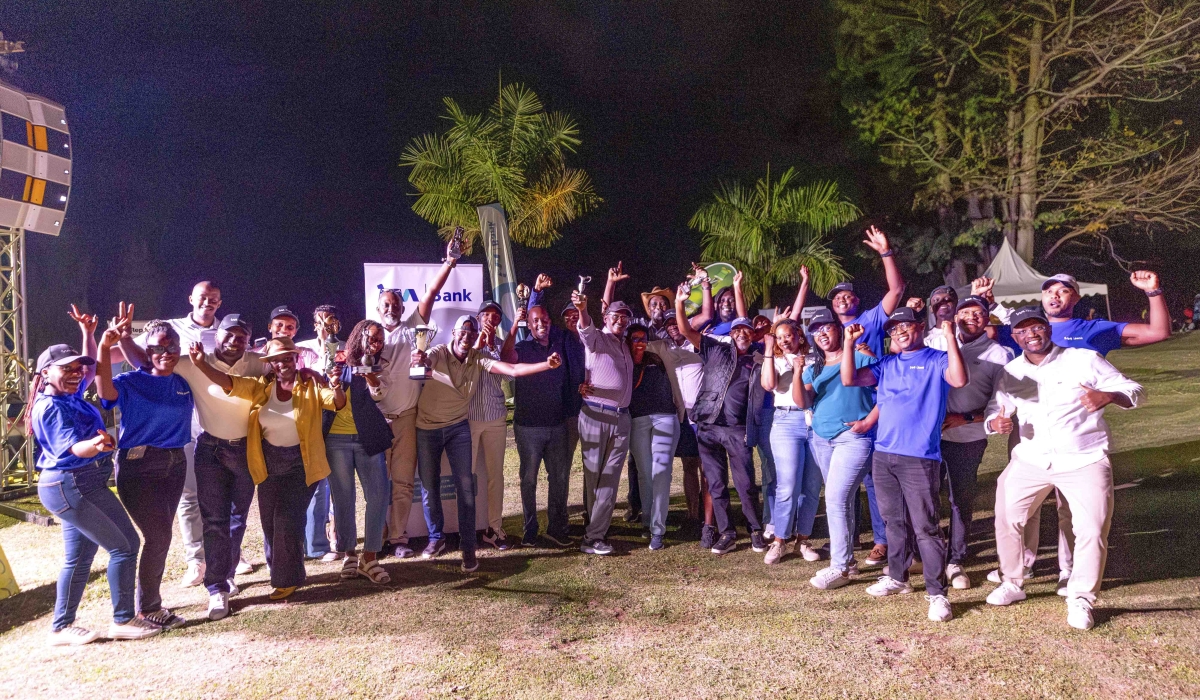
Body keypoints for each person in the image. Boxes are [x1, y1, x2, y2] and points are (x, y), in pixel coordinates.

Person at [986, 270, 1169, 590]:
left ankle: (1068, 572)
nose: (1055, 295)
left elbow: (1157, 332)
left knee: (1070, 508)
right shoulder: (1023, 335)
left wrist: (1153, 293)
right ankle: (1019, 568)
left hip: (1076, 434)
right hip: (1030, 433)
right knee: (1017, 507)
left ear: (1076, 297)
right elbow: (992, 331)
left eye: (1064, 291)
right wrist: (987, 303)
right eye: (1049, 291)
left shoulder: (1091, 333)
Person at [983, 306, 1144, 630]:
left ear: (1047, 329)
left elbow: (1133, 390)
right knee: (1007, 517)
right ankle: (1013, 583)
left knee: (1091, 529)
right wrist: (995, 421)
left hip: (1084, 458)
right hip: (1031, 458)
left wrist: (1108, 396)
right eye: (1023, 331)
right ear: (1014, 336)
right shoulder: (1012, 371)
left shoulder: (1082, 359)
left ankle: (1081, 598)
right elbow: (997, 408)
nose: (1031, 335)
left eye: (1036, 327)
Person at [33, 307, 159, 645]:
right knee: (126, 545)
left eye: (77, 369)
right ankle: (123, 619)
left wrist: (88, 334)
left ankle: (61, 627)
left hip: (71, 483)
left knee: (79, 557)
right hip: (71, 482)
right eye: (66, 369)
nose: (76, 374)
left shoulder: (67, 394)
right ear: (46, 373)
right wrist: (95, 443)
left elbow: (88, 368)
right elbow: (73, 449)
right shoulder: (52, 406)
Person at [188, 337, 345, 600]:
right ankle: (286, 571)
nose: (282, 363)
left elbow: (336, 402)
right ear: (270, 364)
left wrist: (337, 385)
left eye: (287, 358)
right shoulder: (261, 387)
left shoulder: (310, 386)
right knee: (269, 524)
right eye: (276, 359)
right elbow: (230, 383)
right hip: (269, 465)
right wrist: (202, 364)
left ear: (296, 359)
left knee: (286, 519)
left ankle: (287, 580)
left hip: (302, 465)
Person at [841, 306, 967, 623]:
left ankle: (937, 594)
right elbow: (849, 378)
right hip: (884, 454)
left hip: (920, 456)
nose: (899, 332)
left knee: (926, 527)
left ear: (920, 327)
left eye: (905, 327)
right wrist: (847, 344)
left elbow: (959, 379)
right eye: (894, 330)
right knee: (893, 521)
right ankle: (898, 577)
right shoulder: (887, 364)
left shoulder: (936, 359)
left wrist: (950, 337)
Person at [410, 314, 562, 572]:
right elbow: (423, 362)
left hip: (458, 427)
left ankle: (468, 549)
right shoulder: (438, 351)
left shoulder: (477, 359)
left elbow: (512, 370)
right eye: (463, 330)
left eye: (472, 331)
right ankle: (436, 538)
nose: (467, 335)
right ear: (454, 332)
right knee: (429, 486)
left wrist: (546, 365)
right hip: (427, 428)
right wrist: (419, 358)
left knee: (466, 488)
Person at [149, 313, 266, 620]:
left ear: (248, 340)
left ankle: (225, 573)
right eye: (229, 334)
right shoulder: (192, 361)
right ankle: (217, 589)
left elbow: (288, 368)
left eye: (241, 336)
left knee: (237, 518)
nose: (234, 340)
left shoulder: (256, 363)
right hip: (210, 450)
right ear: (219, 335)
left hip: (246, 450)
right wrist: (118, 342)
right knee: (214, 520)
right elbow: (153, 360)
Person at [110, 281, 222, 589]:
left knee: (214, 495)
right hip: (179, 431)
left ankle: (226, 555)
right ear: (191, 298)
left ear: (219, 301)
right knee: (188, 498)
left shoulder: (227, 330)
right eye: (202, 296)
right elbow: (147, 360)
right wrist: (119, 340)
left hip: (214, 426)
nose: (207, 302)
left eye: (213, 298)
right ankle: (195, 560)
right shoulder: (171, 329)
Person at [96, 317, 194, 631]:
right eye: (158, 348)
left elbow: (158, 355)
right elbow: (105, 393)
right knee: (158, 536)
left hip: (175, 464)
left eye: (172, 347)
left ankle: (149, 602)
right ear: (147, 350)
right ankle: (149, 608)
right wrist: (105, 345)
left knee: (161, 538)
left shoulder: (181, 381)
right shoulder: (130, 381)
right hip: (139, 468)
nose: (166, 353)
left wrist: (130, 342)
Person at [673, 284, 767, 555]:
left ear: (752, 335)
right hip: (708, 425)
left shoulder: (757, 360)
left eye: (746, 330)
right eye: (736, 330)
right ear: (730, 334)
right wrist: (680, 303)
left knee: (746, 484)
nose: (740, 334)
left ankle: (755, 530)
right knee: (715, 483)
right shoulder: (715, 349)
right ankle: (726, 532)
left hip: (738, 430)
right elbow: (685, 331)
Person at [375, 250, 458, 558]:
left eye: (396, 304)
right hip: (376, 419)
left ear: (403, 307)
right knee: (376, 487)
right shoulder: (370, 333)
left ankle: (397, 538)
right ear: (377, 307)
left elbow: (433, 292)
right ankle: (374, 540)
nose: (391, 308)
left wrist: (449, 262)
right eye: (386, 304)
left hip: (407, 418)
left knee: (403, 483)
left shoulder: (413, 326)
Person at [935, 295, 1014, 590]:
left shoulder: (999, 354)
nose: (972, 317)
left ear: (987, 318)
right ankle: (929, 554)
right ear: (954, 317)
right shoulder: (938, 342)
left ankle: (956, 560)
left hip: (968, 437)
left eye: (979, 313)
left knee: (960, 499)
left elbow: (1002, 403)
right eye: (965, 312)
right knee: (927, 497)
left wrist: (965, 418)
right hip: (930, 437)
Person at [800, 309, 878, 590]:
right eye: (816, 329)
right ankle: (848, 562)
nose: (821, 333)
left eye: (827, 327)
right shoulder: (814, 368)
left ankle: (840, 567)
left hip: (853, 438)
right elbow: (803, 400)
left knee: (834, 498)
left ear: (839, 329)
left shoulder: (859, 355)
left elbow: (888, 389)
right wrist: (798, 373)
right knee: (840, 500)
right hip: (822, 437)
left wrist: (869, 420)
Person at [501, 302, 578, 548]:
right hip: (528, 427)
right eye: (535, 321)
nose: (540, 324)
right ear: (529, 324)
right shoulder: (522, 347)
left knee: (559, 477)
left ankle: (556, 527)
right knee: (529, 480)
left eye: (544, 319)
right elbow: (505, 359)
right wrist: (514, 325)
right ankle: (530, 528)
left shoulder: (559, 345)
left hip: (557, 425)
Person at [323, 319, 393, 584]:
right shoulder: (336, 357)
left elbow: (380, 395)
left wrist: (371, 375)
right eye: (373, 338)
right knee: (343, 499)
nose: (376, 345)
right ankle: (349, 554)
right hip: (336, 439)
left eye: (380, 341)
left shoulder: (379, 364)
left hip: (369, 439)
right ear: (359, 335)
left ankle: (370, 557)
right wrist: (332, 378)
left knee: (377, 496)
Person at [572, 288, 635, 555]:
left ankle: (595, 534)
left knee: (610, 479)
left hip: (622, 419)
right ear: (606, 318)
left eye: (625, 317)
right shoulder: (597, 339)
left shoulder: (625, 345)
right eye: (616, 316)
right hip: (596, 414)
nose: (621, 321)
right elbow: (585, 327)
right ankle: (594, 534)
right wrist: (583, 308)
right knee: (596, 477)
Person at [759, 317, 823, 564]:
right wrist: (767, 349)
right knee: (788, 485)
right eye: (780, 337)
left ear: (799, 336)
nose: (785, 341)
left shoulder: (816, 359)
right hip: (786, 422)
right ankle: (779, 540)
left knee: (811, 485)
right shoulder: (774, 360)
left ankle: (803, 539)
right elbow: (768, 385)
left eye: (789, 335)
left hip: (815, 422)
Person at [646, 310, 712, 542]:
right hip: (680, 415)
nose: (673, 326)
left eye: (676, 322)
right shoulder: (663, 347)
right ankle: (692, 514)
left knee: (707, 468)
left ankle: (709, 518)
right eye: (669, 324)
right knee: (688, 466)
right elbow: (635, 344)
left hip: (702, 415)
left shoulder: (699, 342)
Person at [624, 324, 680, 550]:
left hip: (665, 416)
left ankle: (658, 529)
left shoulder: (657, 357)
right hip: (637, 420)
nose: (639, 342)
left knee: (661, 472)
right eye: (634, 338)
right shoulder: (624, 361)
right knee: (644, 473)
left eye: (643, 338)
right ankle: (647, 519)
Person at [471, 300, 512, 551]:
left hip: (496, 416)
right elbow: (462, 368)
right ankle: (466, 529)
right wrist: (479, 343)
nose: (490, 319)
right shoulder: (466, 341)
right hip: (469, 416)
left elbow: (508, 375)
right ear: (478, 318)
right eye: (486, 315)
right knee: (466, 477)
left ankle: (493, 528)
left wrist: (494, 348)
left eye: (495, 316)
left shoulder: (500, 346)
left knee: (495, 475)